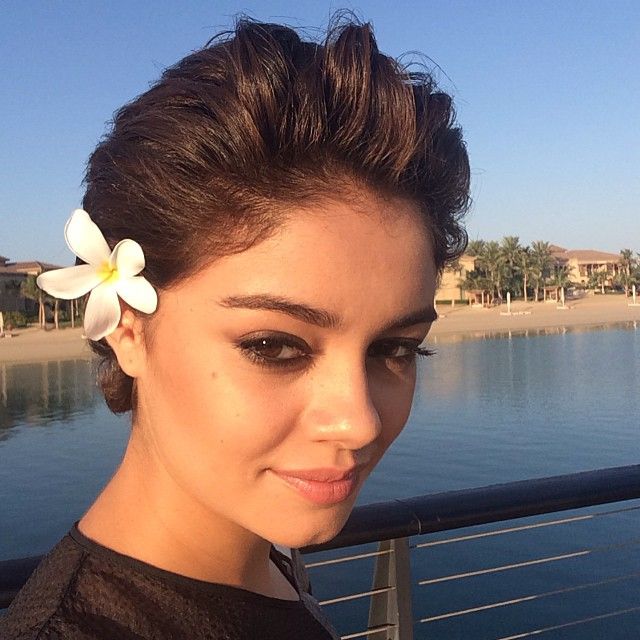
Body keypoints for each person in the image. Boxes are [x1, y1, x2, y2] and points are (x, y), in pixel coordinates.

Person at [0, 16, 469, 640]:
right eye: (274, 346)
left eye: (395, 348)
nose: (359, 422)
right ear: (129, 330)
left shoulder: (265, 551)